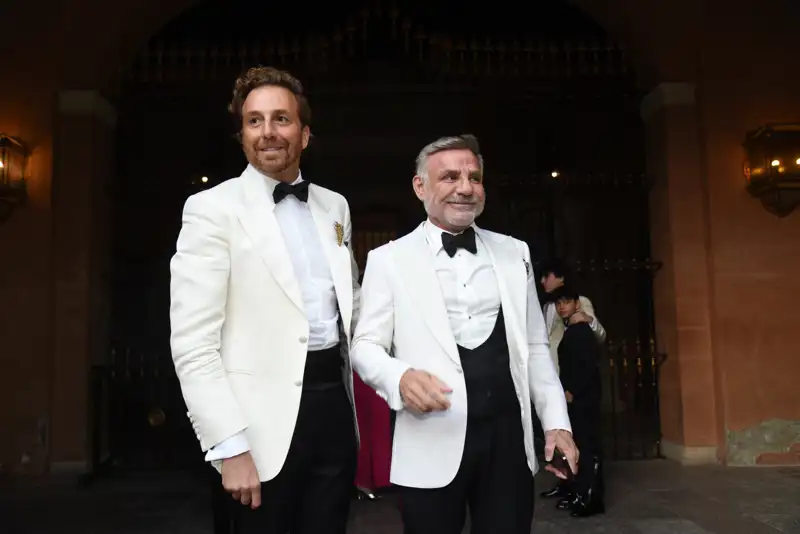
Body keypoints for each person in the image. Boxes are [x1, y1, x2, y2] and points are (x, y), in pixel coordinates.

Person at [350, 134, 578, 534]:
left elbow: (536, 346)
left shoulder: (515, 253)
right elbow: (365, 347)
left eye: (474, 177)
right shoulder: (387, 261)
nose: (465, 188)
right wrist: (399, 378)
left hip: (508, 444)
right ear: (420, 187)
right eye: (450, 177)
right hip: (430, 441)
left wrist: (557, 422)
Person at [169, 66, 361, 534]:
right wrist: (229, 446)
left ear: (305, 133)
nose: (268, 131)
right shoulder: (211, 209)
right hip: (256, 430)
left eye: (281, 118)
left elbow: (350, 308)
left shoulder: (335, 207)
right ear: (241, 135)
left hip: (334, 411)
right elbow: (193, 343)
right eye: (255, 121)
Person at [537, 257, 605, 501]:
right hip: (552, 378)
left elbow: (596, 334)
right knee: (559, 434)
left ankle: (583, 489)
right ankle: (565, 485)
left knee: (581, 437)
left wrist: (588, 320)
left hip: (571, 380)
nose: (543, 281)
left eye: (548, 275)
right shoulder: (546, 306)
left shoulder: (580, 303)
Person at [550, 286, 605, 517]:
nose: (562, 306)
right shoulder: (572, 329)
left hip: (583, 399)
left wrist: (572, 390)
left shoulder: (580, 330)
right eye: (558, 303)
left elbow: (586, 366)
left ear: (577, 304)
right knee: (580, 446)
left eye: (566, 302)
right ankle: (581, 494)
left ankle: (590, 499)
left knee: (587, 448)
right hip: (578, 397)